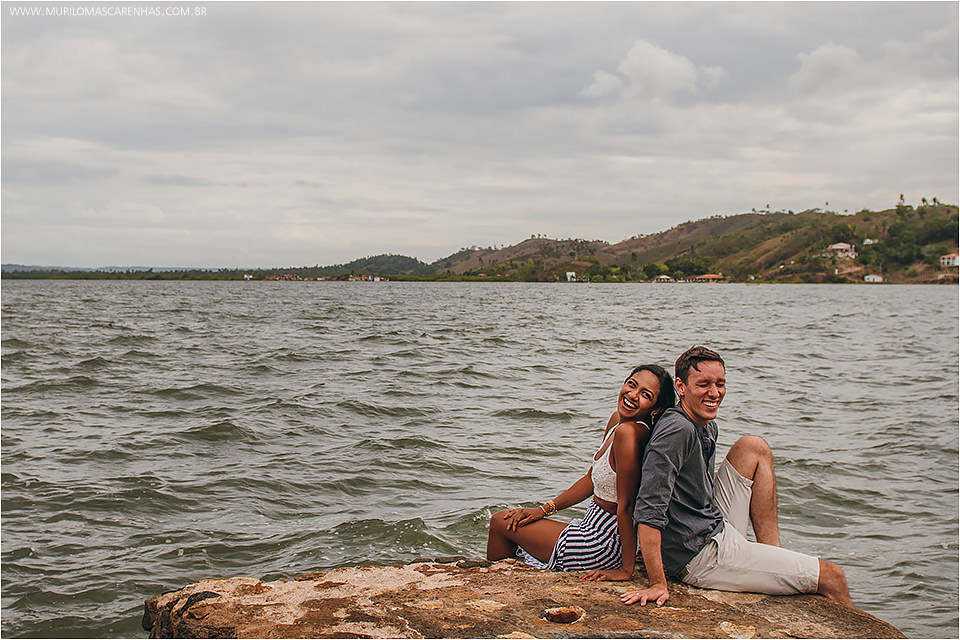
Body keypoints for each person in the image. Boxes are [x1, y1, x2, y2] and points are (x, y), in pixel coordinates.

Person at [622, 346, 853, 608]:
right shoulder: (677, 430)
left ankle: (773, 553)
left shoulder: (705, 424)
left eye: (720, 384)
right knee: (832, 577)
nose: (714, 393)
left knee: (753, 447)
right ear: (680, 386)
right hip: (698, 556)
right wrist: (657, 583)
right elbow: (649, 510)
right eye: (704, 384)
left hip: (708, 525)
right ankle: (770, 564)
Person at [486, 364, 675, 581]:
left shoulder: (628, 433)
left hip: (603, 541)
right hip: (589, 524)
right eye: (631, 385)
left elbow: (627, 506)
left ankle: (494, 587)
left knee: (501, 522)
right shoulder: (618, 421)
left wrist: (626, 569)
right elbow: (590, 479)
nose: (632, 395)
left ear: (656, 409)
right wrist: (543, 510)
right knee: (515, 522)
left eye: (645, 395)